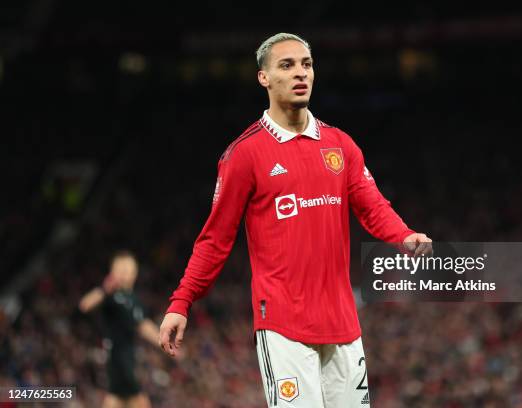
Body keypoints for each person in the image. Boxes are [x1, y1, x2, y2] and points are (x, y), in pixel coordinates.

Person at [158, 32, 433, 407]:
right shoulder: (245, 154)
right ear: (264, 78)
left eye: (306, 64)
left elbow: (372, 206)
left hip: (342, 324)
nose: (300, 73)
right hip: (283, 325)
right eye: (287, 65)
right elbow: (215, 239)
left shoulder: (340, 144)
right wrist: (181, 301)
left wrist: (404, 235)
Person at [79, 251, 160, 408]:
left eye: (128, 269)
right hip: (118, 357)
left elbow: (143, 324)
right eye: (121, 269)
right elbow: (85, 305)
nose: (124, 273)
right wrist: (104, 290)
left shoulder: (133, 299)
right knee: (138, 401)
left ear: (135, 273)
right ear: (113, 272)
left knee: (116, 400)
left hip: (127, 357)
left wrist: (162, 339)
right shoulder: (111, 294)